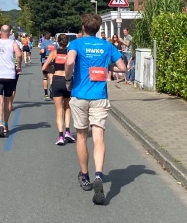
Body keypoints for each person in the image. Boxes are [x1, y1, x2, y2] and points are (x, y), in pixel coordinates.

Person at [65, 13, 128, 204]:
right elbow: (123, 68)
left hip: (80, 95)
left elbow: (69, 62)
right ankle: (99, 174)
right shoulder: (107, 46)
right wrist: (107, 68)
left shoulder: (76, 44)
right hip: (99, 96)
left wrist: (68, 79)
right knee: (99, 137)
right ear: (98, 29)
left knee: (81, 136)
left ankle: (85, 176)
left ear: (83, 27)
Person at [42, 33, 76, 145]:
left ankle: (60, 136)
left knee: (58, 110)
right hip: (68, 80)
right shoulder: (70, 53)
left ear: (57, 42)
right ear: (68, 42)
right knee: (67, 107)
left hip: (56, 80)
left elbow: (44, 67)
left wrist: (53, 67)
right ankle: (68, 131)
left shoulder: (54, 53)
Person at [39, 32, 56, 100]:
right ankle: (52, 90)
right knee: (51, 77)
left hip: (45, 61)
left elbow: (42, 51)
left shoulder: (43, 43)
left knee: (45, 77)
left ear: (44, 37)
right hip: (52, 61)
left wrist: (40, 52)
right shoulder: (54, 44)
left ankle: (46, 94)